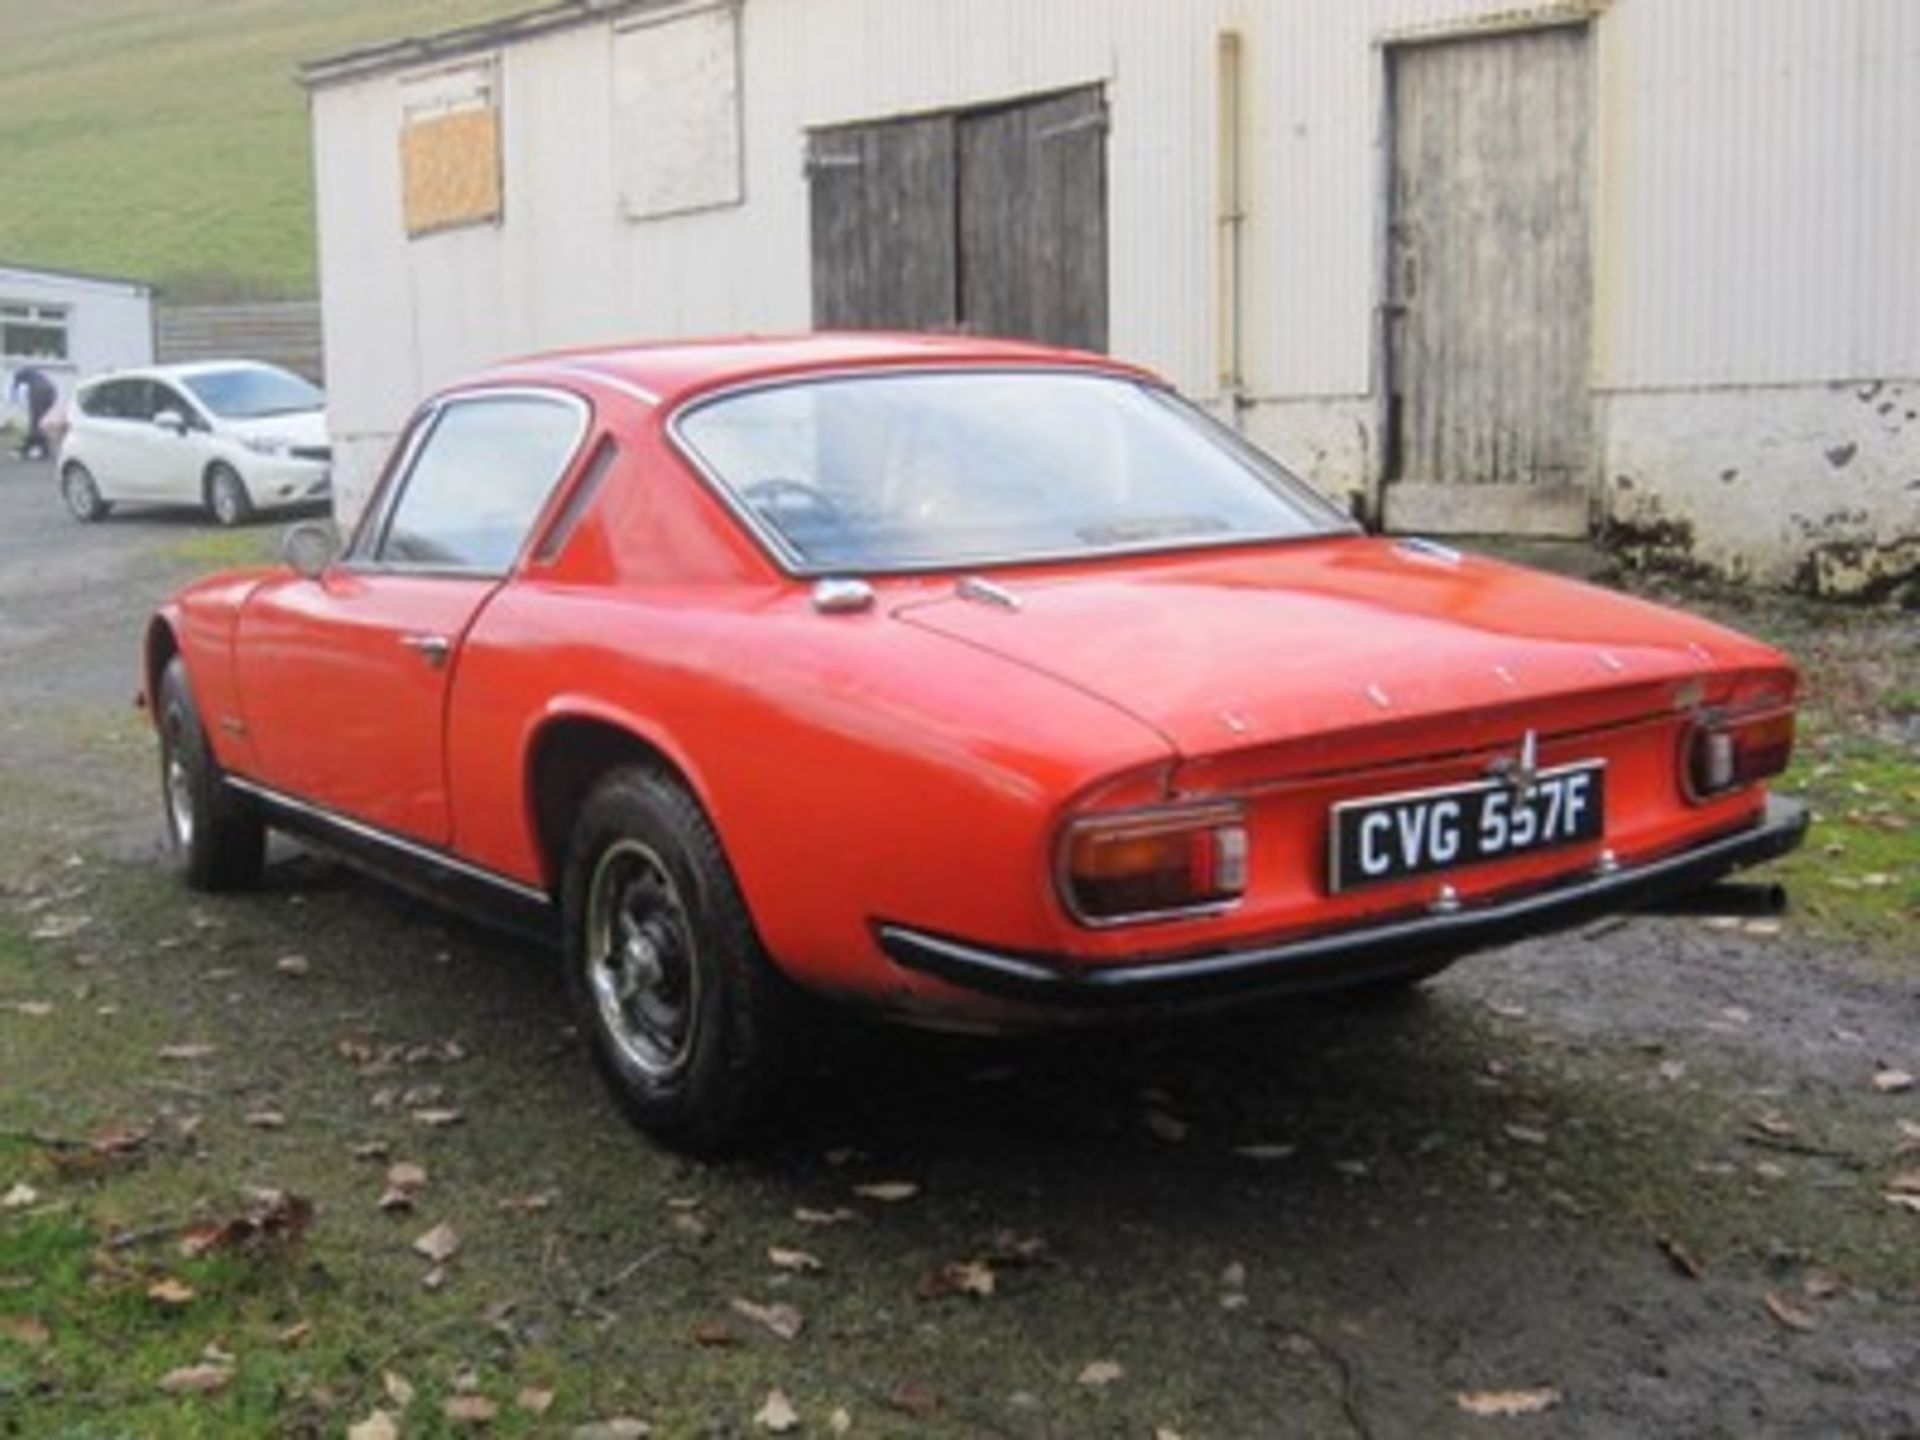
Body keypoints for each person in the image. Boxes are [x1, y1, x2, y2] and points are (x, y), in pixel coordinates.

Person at [8, 365, 57, 459]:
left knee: (34, 422)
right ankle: (36, 445)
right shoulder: (35, 374)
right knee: (36, 421)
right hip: (51, 391)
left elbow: (15, 387)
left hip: (39, 390)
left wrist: (13, 397)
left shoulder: (20, 375)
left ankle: (34, 446)